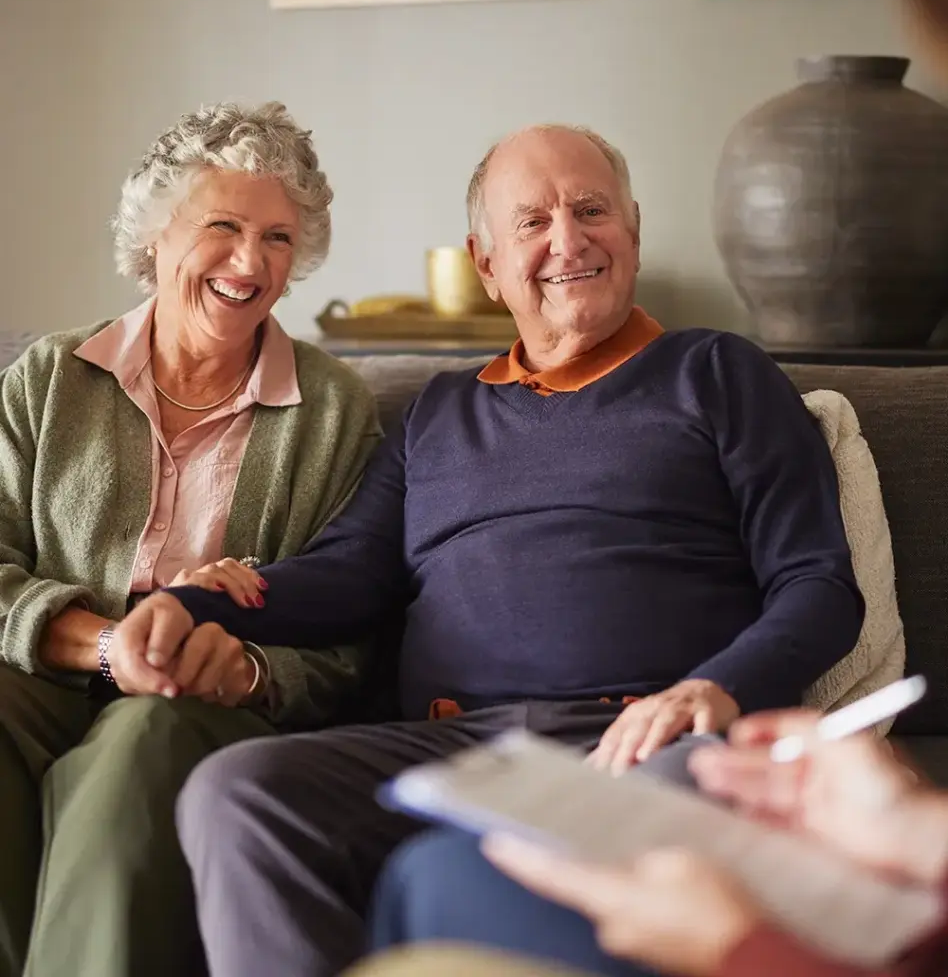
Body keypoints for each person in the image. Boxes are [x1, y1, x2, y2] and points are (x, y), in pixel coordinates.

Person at [114, 121, 865, 977]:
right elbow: (349, 575)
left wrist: (715, 689)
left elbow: (818, 585)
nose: (568, 240)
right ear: (486, 264)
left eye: (591, 211)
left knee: (496, 865)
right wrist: (188, 602)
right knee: (238, 792)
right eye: (533, 222)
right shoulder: (437, 413)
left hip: (639, 739)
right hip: (455, 746)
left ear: (634, 230)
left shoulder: (717, 373)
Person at [0, 101, 381, 977]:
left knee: (141, 745)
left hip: (195, 704)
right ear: (157, 239)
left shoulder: (330, 412)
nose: (251, 263)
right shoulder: (49, 380)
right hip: (52, 670)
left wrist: (248, 668)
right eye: (224, 226)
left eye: (280, 239)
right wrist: (103, 646)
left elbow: (357, 625)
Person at [362, 712, 948, 977]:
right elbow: (358, 569)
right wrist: (918, 832)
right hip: (450, 721)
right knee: (269, 786)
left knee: (439, 873)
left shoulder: (756, 452)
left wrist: (734, 947)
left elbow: (815, 583)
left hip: (654, 718)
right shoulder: (418, 455)